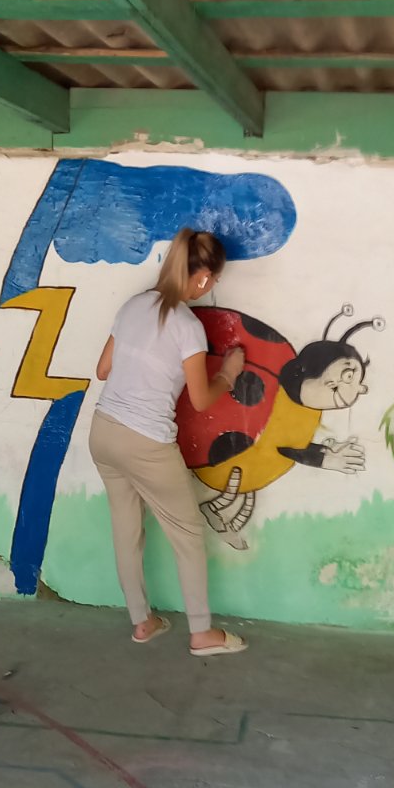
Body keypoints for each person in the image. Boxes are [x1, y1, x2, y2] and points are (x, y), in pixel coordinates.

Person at [89, 227, 248, 655]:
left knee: (126, 530)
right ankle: (201, 633)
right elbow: (200, 399)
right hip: (146, 442)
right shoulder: (187, 326)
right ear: (203, 278)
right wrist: (228, 373)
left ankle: (142, 622)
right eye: (214, 279)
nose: (212, 286)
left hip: (103, 432)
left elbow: (103, 370)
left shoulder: (133, 305)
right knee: (187, 533)